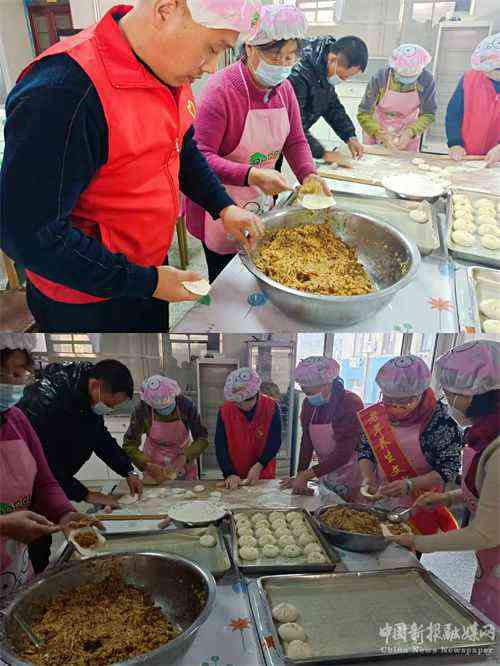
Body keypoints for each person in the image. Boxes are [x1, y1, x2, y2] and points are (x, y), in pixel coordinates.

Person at [0, 0, 265, 332]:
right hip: (87, 300)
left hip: (147, 273)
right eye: (212, 48)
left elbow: (182, 149)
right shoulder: (64, 92)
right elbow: (28, 234)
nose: (212, 68)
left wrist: (223, 207)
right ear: (165, 10)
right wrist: (146, 282)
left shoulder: (167, 67)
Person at [184, 5, 329, 282]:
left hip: (259, 200)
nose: (282, 65)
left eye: (290, 57)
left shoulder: (285, 90)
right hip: (219, 205)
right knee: (227, 283)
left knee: (261, 271)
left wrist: (309, 174)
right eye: (274, 56)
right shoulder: (221, 91)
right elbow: (199, 157)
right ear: (250, 47)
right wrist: (251, 174)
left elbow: (295, 140)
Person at [391, 341, 500, 626]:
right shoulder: (486, 431)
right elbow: (488, 491)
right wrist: (448, 498)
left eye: (452, 393)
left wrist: (418, 542)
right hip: (489, 562)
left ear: (477, 394)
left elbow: (485, 533)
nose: (447, 398)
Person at [18, 358, 142, 573]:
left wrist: (127, 470)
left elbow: (101, 439)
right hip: (25, 490)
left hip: (54, 486)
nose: (109, 409)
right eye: (109, 404)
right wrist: (86, 494)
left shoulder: (87, 400)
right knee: (30, 545)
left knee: (43, 535)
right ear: (95, 385)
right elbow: (45, 466)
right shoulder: (47, 403)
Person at [0, 334, 97, 598]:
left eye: (18, 373)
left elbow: (43, 481)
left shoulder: (15, 419)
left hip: (15, 571)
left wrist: (64, 513)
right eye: (3, 373)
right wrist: (3, 525)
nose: (11, 382)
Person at [357, 355, 461, 537]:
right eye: (389, 401)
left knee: (411, 546)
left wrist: (409, 484)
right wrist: (368, 478)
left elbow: (449, 468)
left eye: (404, 402)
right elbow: (365, 449)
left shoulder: (441, 422)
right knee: (377, 537)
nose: (394, 407)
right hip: (382, 496)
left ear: (421, 394)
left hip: (420, 501)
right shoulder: (376, 416)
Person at [281, 356, 364, 500]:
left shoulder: (350, 403)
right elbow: (307, 442)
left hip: (352, 474)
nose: (309, 397)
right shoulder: (309, 404)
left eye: (311, 392)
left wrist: (307, 475)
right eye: (305, 392)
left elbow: (344, 452)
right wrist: (300, 474)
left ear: (327, 383)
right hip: (325, 471)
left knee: (347, 510)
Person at [287, 35, 368, 164]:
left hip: (291, 141)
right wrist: (323, 153)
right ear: (332, 60)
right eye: (343, 76)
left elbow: (331, 106)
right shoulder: (299, 74)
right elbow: (292, 125)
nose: (344, 80)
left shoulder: (324, 67)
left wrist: (350, 136)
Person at [123, 374, 209, 483]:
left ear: (174, 394)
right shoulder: (142, 410)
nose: (165, 411)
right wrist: (146, 464)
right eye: (159, 408)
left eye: (168, 405)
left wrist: (185, 456)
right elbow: (129, 444)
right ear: (150, 403)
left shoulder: (186, 405)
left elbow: (202, 438)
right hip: (154, 463)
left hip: (183, 461)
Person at [358, 44, 436, 151]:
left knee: (405, 161)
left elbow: (429, 114)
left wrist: (410, 132)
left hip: (408, 128)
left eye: (411, 78)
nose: (404, 84)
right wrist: (378, 132)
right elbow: (364, 112)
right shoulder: (380, 77)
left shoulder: (426, 80)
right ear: (393, 68)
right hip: (378, 126)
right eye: (400, 77)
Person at [215, 367, 282, 489]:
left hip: (263, 473)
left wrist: (260, 465)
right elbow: (220, 444)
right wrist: (229, 472)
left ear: (255, 395)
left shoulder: (271, 407)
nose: (238, 405)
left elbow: (275, 441)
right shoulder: (225, 410)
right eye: (235, 402)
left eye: (242, 402)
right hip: (235, 475)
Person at [446, 33, 500, 168]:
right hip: (468, 154)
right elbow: (453, 114)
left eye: (492, 69)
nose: (485, 72)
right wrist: (455, 143)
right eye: (484, 67)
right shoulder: (469, 79)